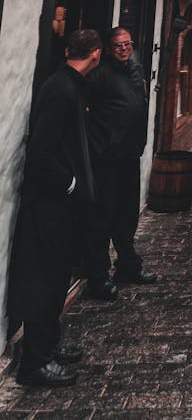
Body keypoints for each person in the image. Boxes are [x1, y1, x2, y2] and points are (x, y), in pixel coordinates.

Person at [9, 29, 102, 387]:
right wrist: (71, 184)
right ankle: (34, 363)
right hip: (50, 205)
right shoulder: (62, 90)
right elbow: (42, 153)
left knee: (57, 275)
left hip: (60, 204)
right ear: (94, 54)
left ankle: (49, 344)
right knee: (45, 279)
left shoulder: (68, 84)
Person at [84, 26, 155, 298]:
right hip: (107, 158)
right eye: (118, 45)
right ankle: (97, 278)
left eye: (128, 44)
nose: (124, 49)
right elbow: (86, 110)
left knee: (127, 215)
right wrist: (100, 143)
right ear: (108, 48)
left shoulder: (136, 71)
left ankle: (127, 266)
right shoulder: (99, 76)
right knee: (102, 218)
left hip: (130, 156)